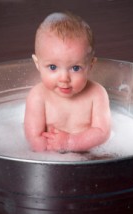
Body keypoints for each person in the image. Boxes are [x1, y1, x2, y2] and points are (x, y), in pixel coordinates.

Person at [24, 12, 111, 152]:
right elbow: (34, 137)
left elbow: (102, 132)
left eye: (75, 68)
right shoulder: (38, 96)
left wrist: (71, 142)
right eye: (53, 67)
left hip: (89, 154)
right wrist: (46, 156)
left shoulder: (97, 94)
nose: (64, 78)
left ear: (90, 66)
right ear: (37, 64)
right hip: (51, 156)